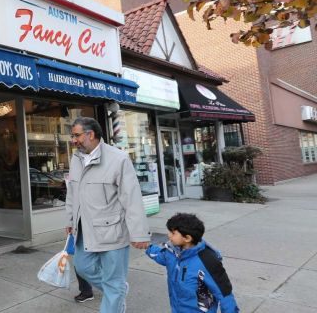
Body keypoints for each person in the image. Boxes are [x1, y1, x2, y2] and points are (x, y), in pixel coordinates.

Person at [65, 117, 151, 313]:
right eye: (73, 136)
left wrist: (139, 234)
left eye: (76, 135)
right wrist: (70, 219)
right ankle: (118, 289)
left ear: (91, 134)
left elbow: (132, 198)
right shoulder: (76, 159)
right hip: (84, 229)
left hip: (113, 230)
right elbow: (72, 192)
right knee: (82, 267)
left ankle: (115, 292)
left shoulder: (118, 159)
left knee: (113, 282)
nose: (74, 140)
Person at [146, 213, 239, 312]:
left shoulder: (207, 260)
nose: (169, 235)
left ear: (187, 238)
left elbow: (224, 293)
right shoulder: (172, 252)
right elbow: (160, 256)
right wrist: (147, 247)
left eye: (173, 233)